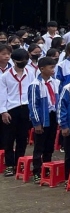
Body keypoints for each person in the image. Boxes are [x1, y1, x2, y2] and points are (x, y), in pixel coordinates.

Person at [1, 47, 32, 175]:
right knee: (8, 138)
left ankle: (20, 162)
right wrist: (3, 111)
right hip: (11, 109)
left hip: (25, 107)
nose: (23, 62)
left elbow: (31, 92)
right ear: (14, 61)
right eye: (21, 60)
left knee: (22, 137)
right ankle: (9, 164)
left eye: (25, 60)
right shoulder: (5, 76)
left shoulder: (30, 72)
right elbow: (2, 94)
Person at [27, 56, 60, 177]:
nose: (53, 70)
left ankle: (47, 167)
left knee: (49, 144)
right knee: (39, 145)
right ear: (42, 69)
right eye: (51, 67)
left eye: (54, 67)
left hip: (52, 115)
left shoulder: (55, 82)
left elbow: (57, 101)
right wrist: (36, 123)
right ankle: (37, 170)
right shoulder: (35, 85)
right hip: (42, 118)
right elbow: (33, 105)